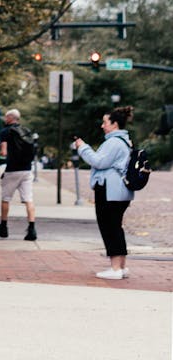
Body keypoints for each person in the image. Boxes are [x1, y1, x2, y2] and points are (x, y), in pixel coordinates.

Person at [73, 105, 134, 280]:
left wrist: (83, 147)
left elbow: (99, 162)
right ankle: (121, 267)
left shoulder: (113, 142)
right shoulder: (124, 141)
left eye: (105, 122)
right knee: (116, 226)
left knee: (109, 227)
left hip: (110, 190)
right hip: (119, 191)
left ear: (114, 124)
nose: (102, 125)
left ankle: (115, 268)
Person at [0, 108, 37, 241]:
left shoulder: (5, 132)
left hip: (12, 170)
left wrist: (0, 151)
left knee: (6, 198)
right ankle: (32, 230)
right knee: (28, 199)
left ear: (11, 118)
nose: (5, 120)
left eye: (6, 117)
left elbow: (4, 152)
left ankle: (3, 228)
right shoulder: (26, 131)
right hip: (27, 170)